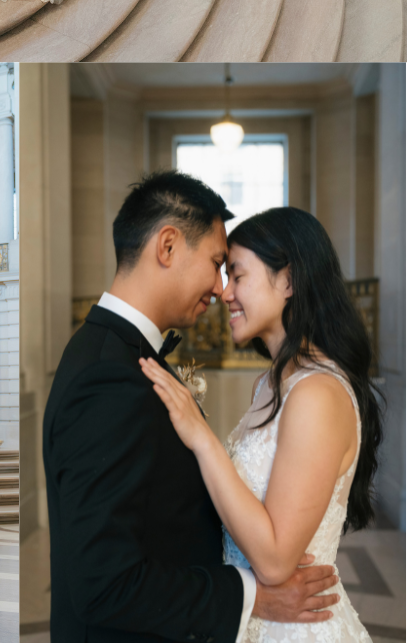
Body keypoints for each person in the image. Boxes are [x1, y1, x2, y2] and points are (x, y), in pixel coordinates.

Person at [43, 171, 341, 643]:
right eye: (218, 263)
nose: (221, 288)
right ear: (167, 247)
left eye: (234, 272)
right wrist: (252, 596)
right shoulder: (108, 376)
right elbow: (102, 583)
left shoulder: (122, 356)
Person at [140, 206, 382, 643]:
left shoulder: (317, 394)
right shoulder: (269, 383)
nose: (225, 293)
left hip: (296, 629)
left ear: (287, 280)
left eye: (238, 275)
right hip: (252, 618)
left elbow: (273, 562)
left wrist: (201, 437)